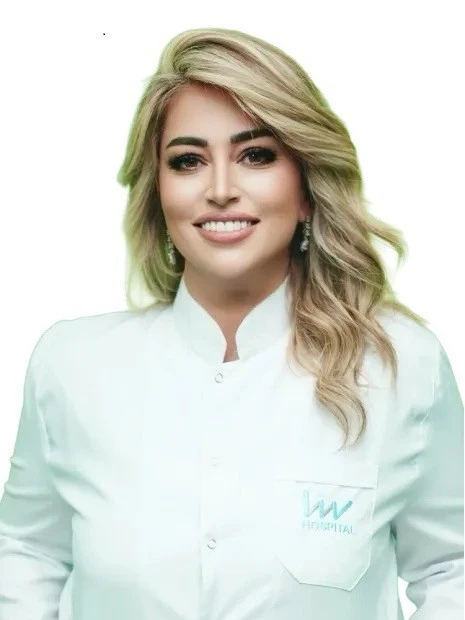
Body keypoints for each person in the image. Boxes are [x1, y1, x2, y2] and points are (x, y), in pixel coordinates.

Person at [0, 27, 463, 620]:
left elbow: (452, 568)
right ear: (158, 191)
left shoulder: (400, 365)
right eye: (188, 161)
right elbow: (28, 552)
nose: (220, 190)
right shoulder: (72, 366)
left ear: (306, 187)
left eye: (256, 156)